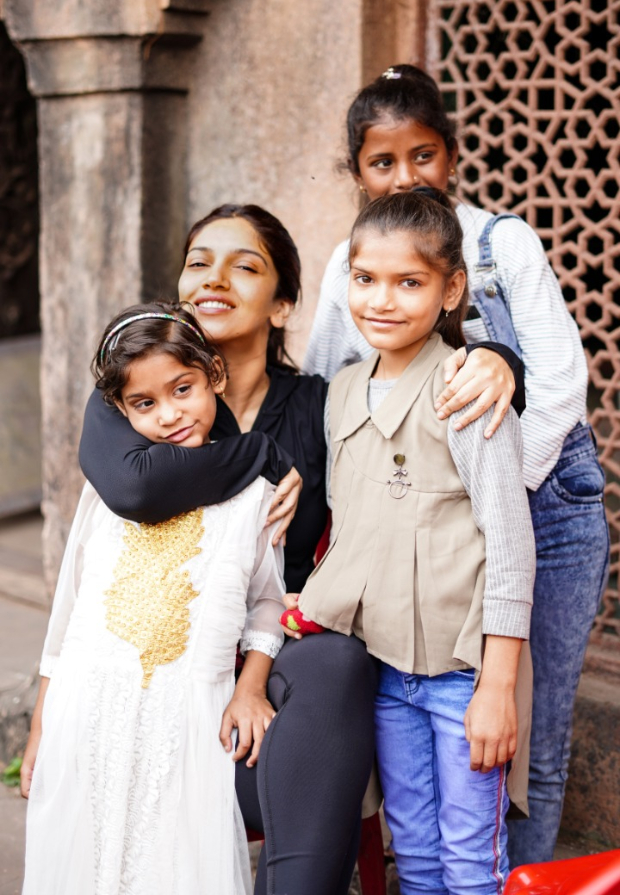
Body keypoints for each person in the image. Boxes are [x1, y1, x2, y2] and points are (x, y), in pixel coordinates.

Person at [78, 204, 523, 895]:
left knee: (337, 674)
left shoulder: (325, 400)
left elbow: (401, 415)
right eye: (198, 262)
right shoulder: (133, 399)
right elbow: (129, 497)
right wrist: (256, 458)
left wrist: (500, 359)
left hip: (316, 659)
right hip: (164, 669)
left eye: (244, 265)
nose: (214, 279)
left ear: (286, 302)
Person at [304, 64, 610, 866]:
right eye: (382, 161)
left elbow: (559, 387)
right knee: (424, 773)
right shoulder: (350, 263)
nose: (406, 175)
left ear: (452, 153)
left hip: (539, 491)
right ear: (357, 170)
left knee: (524, 739)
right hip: (441, 504)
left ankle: (520, 880)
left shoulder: (497, 241)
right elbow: (331, 381)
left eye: (424, 155)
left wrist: (489, 487)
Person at [296, 189, 536, 893]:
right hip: (384, 674)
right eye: (366, 279)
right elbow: (351, 523)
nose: (383, 300)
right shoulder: (339, 392)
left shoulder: (467, 388)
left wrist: (496, 688)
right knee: (418, 856)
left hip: (463, 678)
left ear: (450, 288)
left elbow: (512, 547)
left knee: (469, 863)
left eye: (410, 282)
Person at [21, 302, 289, 895]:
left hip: (189, 722)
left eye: (183, 389)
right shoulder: (106, 498)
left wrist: (249, 687)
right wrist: (43, 721)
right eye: (145, 404)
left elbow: (270, 603)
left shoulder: (255, 498)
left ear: (214, 376)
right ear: (119, 409)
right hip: (87, 710)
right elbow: (66, 615)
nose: (170, 415)